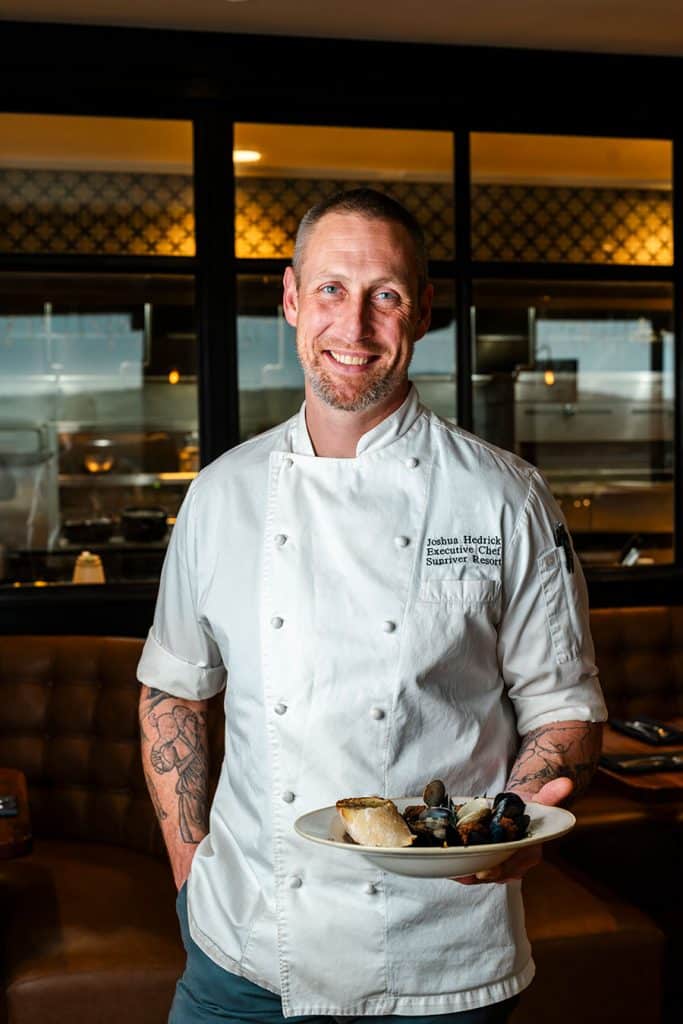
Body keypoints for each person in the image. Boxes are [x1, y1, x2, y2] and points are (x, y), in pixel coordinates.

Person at [137, 188, 607, 1024]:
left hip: (442, 955)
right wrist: (190, 872)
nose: (352, 329)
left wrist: (512, 828)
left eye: (383, 295)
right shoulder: (221, 495)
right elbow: (174, 690)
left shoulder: (505, 497)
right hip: (241, 950)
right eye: (329, 290)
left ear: (422, 311)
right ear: (289, 298)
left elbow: (564, 708)